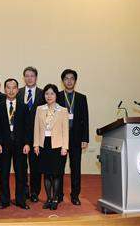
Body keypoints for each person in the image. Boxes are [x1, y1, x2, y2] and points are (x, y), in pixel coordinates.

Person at [0, 78, 31, 210]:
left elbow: (28, 127)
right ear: (4, 89)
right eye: (8, 88)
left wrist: (27, 143)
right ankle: (4, 200)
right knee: (3, 174)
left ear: (17, 89)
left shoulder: (24, 106)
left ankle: (21, 200)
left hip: (20, 145)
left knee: (21, 174)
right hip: (3, 145)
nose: (11, 90)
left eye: (13, 87)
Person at [33, 83, 69, 210]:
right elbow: (36, 128)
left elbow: (65, 130)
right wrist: (36, 144)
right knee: (47, 173)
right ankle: (48, 198)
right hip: (44, 145)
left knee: (56, 174)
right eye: (47, 93)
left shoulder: (63, 110)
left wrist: (65, 147)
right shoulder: (39, 109)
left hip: (58, 145)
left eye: (52, 93)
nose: (49, 96)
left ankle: (55, 199)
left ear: (56, 95)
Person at [57, 69, 89, 206]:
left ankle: (75, 195)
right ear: (62, 81)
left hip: (76, 138)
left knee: (76, 168)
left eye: (72, 78)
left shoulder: (81, 98)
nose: (69, 81)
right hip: (60, 138)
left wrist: (85, 138)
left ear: (75, 81)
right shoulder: (57, 96)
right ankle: (58, 195)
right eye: (66, 78)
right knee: (59, 168)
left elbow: (85, 119)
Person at [17, 66, 44, 202]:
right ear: (24, 78)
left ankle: (34, 192)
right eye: (27, 76)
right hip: (20, 136)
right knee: (22, 166)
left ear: (36, 77)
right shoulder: (18, 93)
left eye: (32, 76)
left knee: (35, 166)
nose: (29, 78)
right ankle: (24, 190)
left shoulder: (43, 93)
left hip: (37, 135)